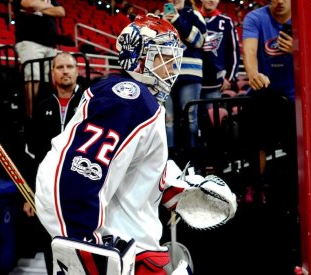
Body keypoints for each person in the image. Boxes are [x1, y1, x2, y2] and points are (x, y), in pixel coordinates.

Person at [34, 14, 236, 274]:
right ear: (138, 59)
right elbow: (76, 173)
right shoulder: (130, 98)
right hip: (124, 253)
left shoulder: (142, 101)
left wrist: (178, 188)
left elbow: (132, 168)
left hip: (136, 248)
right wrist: (83, 247)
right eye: (163, 57)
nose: (172, 68)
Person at [241, 0, 311, 273]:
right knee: (254, 129)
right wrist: (253, 74)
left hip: (297, 96)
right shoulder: (255, 18)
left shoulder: (310, 13)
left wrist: (299, 48)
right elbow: (250, 51)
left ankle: (302, 199)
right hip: (265, 93)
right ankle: (256, 188)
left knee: (299, 151)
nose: (278, 2)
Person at [22, 52, 84, 273]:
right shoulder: (42, 107)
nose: (65, 71)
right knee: (52, 243)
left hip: (81, 187)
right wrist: (31, 194)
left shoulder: (90, 105)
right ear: (52, 73)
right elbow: (34, 155)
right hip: (49, 190)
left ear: (78, 71)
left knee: (81, 246)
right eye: (60, 67)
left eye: (69, 66)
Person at [163, 0, 207, 159]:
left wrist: (176, 20)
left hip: (190, 75)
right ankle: (170, 160)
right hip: (165, 76)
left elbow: (199, 41)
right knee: (167, 120)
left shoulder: (194, 15)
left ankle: (193, 159)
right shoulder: (159, 18)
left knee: (191, 119)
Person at [12, 0, 66, 118]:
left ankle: (48, 114)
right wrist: (50, 8)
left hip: (50, 44)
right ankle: (30, 117)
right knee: (33, 78)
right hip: (29, 42)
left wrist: (38, 8)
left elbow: (61, 12)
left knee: (50, 81)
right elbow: (29, 4)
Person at [199, 0, 240, 102]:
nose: (211, 0)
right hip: (191, 81)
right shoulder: (191, 18)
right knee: (189, 117)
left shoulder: (226, 22)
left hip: (215, 83)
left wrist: (229, 78)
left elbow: (234, 52)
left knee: (212, 116)